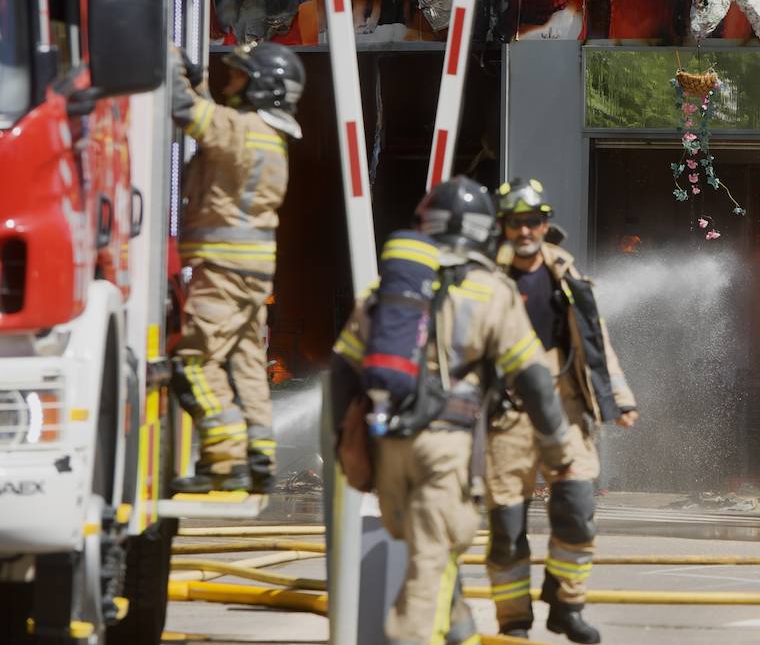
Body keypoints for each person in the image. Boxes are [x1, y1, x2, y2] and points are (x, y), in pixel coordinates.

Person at [334, 177, 578, 645]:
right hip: (442, 452)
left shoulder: (388, 289)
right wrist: (558, 447)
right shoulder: (491, 291)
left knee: (435, 561)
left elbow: (343, 370)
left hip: (387, 448)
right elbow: (532, 378)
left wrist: (342, 447)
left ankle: (461, 636)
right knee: (431, 567)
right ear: (486, 230)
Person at [485, 178, 638, 643]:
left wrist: (619, 399)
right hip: (507, 416)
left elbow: (595, 342)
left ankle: (566, 605)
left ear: (545, 223)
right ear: (504, 227)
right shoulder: (483, 280)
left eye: (533, 221)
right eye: (516, 222)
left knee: (576, 509)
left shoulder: (566, 277)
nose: (526, 230)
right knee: (507, 530)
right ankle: (513, 621)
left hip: (566, 410)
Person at [167, 40, 304, 494]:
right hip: (251, 274)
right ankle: (259, 455)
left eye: (239, 77)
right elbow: (215, 120)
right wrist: (198, 74)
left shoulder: (240, 131)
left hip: (223, 271)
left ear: (262, 88)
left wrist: (165, 57)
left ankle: (226, 459)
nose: (231, 83)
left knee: (193, 365)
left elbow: (185, 108)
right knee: (246, 365)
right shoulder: (265, 135)